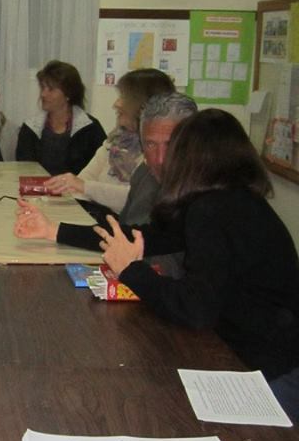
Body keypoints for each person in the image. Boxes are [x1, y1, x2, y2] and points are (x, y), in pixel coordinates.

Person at [95, 109, 299, 381]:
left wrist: (132, 271)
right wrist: (57, 231)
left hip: (265, 370)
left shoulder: (211, 211)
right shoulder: (238, 200)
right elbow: (154, 237)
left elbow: (195, 309)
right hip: (272, 352)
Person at [14, 91, 197, 250]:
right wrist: (52, 230)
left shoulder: (202, 195)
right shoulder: (145, 173)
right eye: (150, 144)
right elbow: (136, 236)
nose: (160, 158)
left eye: (170, 144)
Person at [44, 68, 175, 214]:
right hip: (96, 215)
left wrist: (84, 187)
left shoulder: (158, 151)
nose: (116, 104)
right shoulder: (116, 139)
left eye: (124, 97)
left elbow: (135, 199)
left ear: (143, 105)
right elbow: (83, 180)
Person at [15, 60, 106, 175]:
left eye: (51, 89)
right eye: (43, 88)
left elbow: (101, 169)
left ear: (69, 94)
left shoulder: (90, 129)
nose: (43, 94)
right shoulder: (29, 129)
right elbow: (23, 170)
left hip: (77, 186)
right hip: (38, 186)